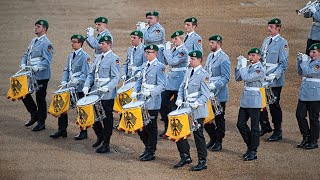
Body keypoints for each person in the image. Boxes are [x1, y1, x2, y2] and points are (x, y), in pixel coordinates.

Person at [76, 16, 113, 140]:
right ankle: (97, 135)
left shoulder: (107, 36)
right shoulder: (100, 35)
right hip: (97, 66)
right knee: (91, 106)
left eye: (99, 24)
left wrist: (89, 37)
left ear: (105, 25)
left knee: (104, 113)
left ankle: (104, 139)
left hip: (104, 76)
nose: (97, 26)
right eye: (96, 24)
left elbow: (95, 46)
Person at [82, 35, 120, 153]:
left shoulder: (114, 58)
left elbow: (116, 77)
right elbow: (91, 74)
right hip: (95, 91)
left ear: (109, 44)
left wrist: (107, 88)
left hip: (106, 94)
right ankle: (100, 136)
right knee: (94, 116)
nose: (101, 46)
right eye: (100, 44)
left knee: (106, 118)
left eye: (103, 44)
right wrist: (87, 85)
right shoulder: (98, 57)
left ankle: (106, 143)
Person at [174, 50, 210, 171]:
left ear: (199, 60)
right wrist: (179, 98)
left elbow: (206, 94)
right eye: (190, 59)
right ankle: (185, 156)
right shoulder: (189, 71)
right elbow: (182, 87)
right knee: (180, 132)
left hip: (197, 110)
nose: (190, 61)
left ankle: (202, 160)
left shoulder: (203, 74)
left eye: (193, 59)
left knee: (198, 135)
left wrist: (197, 103)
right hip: (186, 108)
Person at [49, 34, 90, 138]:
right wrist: (64, 81)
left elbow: (86, 73)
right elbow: (66, 70)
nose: (72, 43)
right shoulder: (70, 55)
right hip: (69, 86)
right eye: (72, 41)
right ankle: (62, 129)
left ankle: (83, 131)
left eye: (74, 42)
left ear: (80, 43)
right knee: (63, 107)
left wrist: (78, 81)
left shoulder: (85, 56)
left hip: (79, 87)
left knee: (80, 110)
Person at [131, 44, 166, 161]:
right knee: (141, 126)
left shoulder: (160, 66)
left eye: (149, 52)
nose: (147, 54)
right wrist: (135, 91)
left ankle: (151, 151)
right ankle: (147, 147)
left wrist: (150, 93)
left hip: (153, 101)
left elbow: (162, 85)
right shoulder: (144, 65)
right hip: (142, 99)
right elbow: (139, 81)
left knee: (151, 126)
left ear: (155, 53)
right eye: (146, 52)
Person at [259, 18, 289, 141]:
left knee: (273, 105)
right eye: (268, 26)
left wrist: (274, 76)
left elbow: (283, 64)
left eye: (271, 27)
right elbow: (262, 58)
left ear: (278, 28)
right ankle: (265, 125)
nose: (268, 29)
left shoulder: (283, 43)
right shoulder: (266, 40)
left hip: (274, 81)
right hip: (264, 78)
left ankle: (278, 131)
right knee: (260, 102)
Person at [21, 19, 53, 131]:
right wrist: (23, 63)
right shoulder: (33, 40)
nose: (35, 28)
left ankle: (41, 122)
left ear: (44, 29)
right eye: (35, 26)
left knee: (40, 99)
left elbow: (47, 61)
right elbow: (26, 54)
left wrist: (37, 67)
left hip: (42, 76)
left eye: (38, 26)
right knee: (23, 93)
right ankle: (34, 114)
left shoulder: (47, 43)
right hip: (30, 74)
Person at [235, 48, 266, 161]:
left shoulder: (259, 69)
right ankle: (250, 146)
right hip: (245, 100)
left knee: (254, 128)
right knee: (240, 124)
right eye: (249, 55)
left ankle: (253, 151)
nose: (250, 57)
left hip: (254, 100)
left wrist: (243, 68)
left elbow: (247, 78)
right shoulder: (248, 67)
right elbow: (238, 78)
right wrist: (239, 66)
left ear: (259, 57)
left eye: (253, 55)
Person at [159, 30, 189, 137]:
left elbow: (172, 62)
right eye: (173, 39)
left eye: (176, 39)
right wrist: (163, 51)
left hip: (179, 81)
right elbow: (167, 62)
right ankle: (168, 127)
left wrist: (167, 51)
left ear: (182, 39)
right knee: (162, 104)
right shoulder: (174, 49)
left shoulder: (183, 51)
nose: (173, 40)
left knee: (176, 107)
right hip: (170, 80)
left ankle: (176, 130)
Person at [204, 34, 230, 151]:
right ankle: (213, 137)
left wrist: (215, 85)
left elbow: (226, 77)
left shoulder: (224, 58)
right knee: (206, 117)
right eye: (210, 42)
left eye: (212, 43)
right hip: (208, 91)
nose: (210, 44)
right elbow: (206, 72)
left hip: (219, 93)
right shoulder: (210, 56)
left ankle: (219, 141)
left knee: (219, 118)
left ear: (218, 44)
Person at [295, 43, 320, 150]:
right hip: (304, 93)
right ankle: (306, 136)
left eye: (314, 52)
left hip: (315, 95)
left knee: (313, 118)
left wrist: (304, 62)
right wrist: (299, 61)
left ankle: (314, 140)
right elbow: (301, 72)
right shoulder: (309, 61)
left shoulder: (318, 64)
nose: (311, 54)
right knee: (299, 115)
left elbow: (308, 72)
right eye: (310, 52)